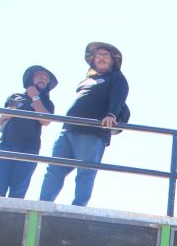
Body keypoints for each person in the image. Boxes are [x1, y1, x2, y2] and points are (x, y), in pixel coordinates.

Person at [39, 42, 130, 207]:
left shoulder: (117, 77)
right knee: (54, 169)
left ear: (112, 60)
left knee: (85, 172)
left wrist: (111, 115)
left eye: (106, 55)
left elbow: (119, 97)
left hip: (92, 132)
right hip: (68, 129)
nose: (102, 58)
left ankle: (78, 208)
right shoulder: (86, 81)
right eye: (99, 55)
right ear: (93, 59)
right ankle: (43, 204)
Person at [0, 65, 57, 198]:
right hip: (6, 146)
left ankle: (11, 213)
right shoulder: (15, 97)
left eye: (46, 78)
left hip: (29, 150)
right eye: (40, 76)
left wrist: (35, 98)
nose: (43, 79)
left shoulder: (47, 103)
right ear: (31, 78)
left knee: (18, 191)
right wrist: (10, 111)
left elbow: (45, 121)